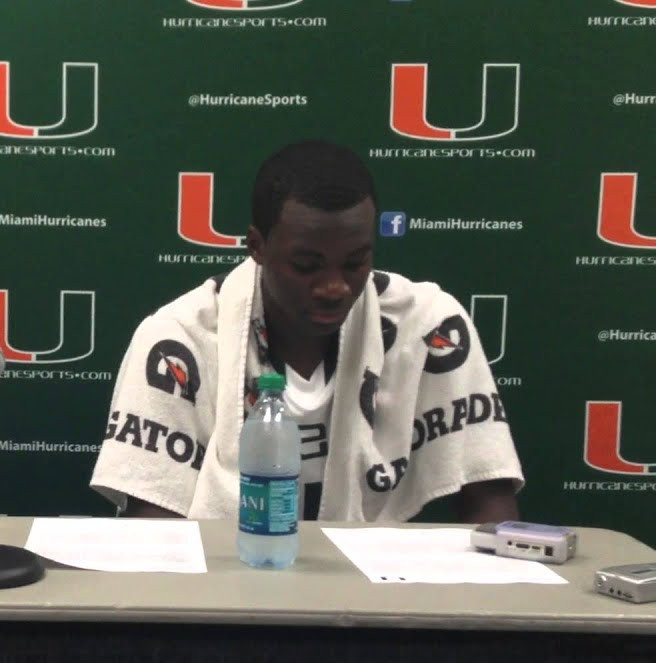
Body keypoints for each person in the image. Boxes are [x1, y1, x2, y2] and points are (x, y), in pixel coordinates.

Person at [90, 140, 520, 523]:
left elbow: (490, 498)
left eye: (355, 263)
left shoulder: (427, 325)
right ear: (256, 246)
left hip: (376, 598)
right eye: (307, 266)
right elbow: (153, 531)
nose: (334, 288)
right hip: (222, 592)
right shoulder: (178, 338)